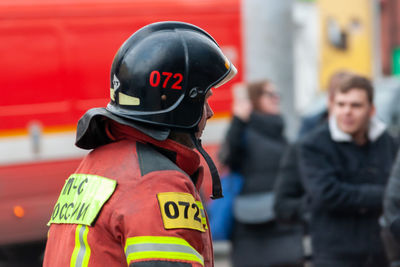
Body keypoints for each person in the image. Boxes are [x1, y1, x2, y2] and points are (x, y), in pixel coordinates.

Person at [43, 21, 237, 267]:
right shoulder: (157, 183)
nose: (209, 112)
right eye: (204, 100)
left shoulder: (93, 166)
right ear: (180, 106)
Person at [299, 74, 398, 267]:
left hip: (382, 254)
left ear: (371, 110)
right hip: (335, 255)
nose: (347, 112)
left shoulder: (389, 143)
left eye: (355, 105)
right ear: (332, 106)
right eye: (341, 104)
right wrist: (385, 195)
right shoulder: (313, 144)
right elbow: (327, 194)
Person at [219, 80, 288, 267]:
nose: (276, 99)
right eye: (270, 94)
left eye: (277, 94)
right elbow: (227, 157)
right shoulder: (243, 128)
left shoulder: (278, 130)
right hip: (249, 220)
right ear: (255, 99)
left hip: (280, 216)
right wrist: (238, 120)